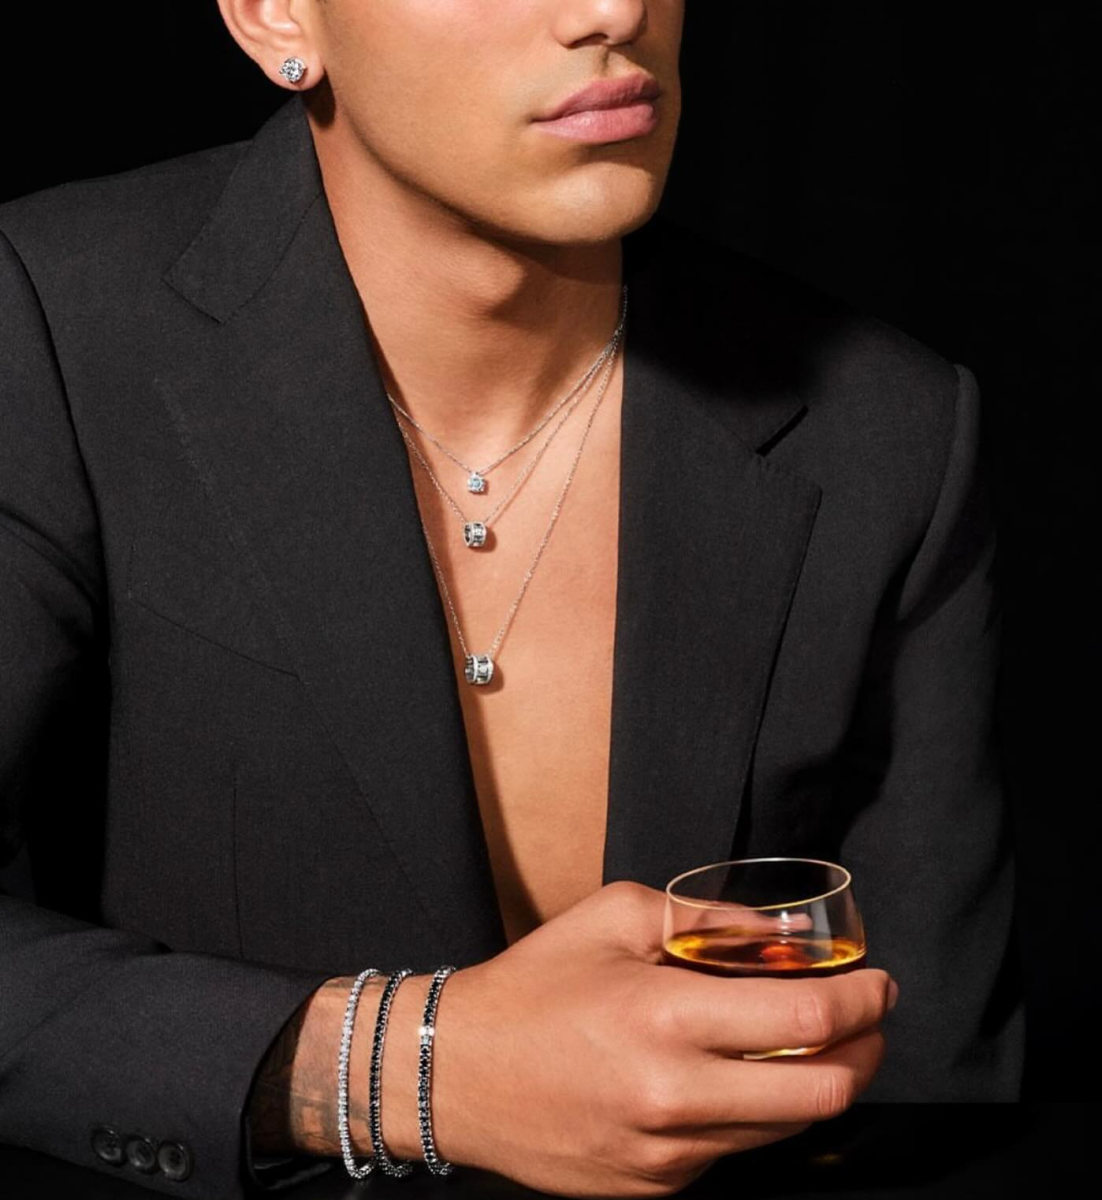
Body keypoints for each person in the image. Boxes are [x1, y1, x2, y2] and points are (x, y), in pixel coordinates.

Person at [0, 1, 1024, 1197]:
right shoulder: (51, 324)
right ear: (279, 16)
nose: (611, 10)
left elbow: (928, 1078)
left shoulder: (886, 432)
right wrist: (402, 1073)